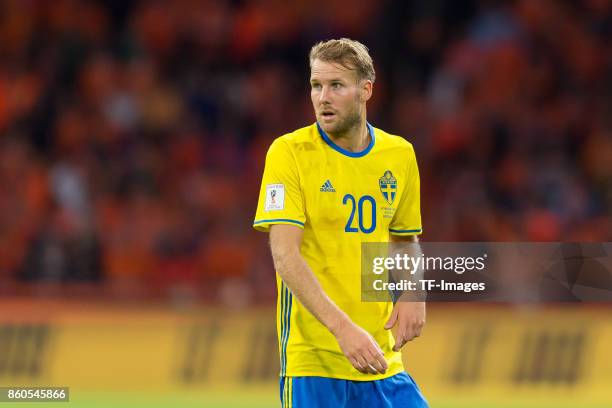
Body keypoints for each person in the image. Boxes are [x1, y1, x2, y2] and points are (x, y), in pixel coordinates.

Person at [254, 38, 428, 407]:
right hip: (315, 362)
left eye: (336, 85)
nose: (323, 97)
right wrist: (343, 329)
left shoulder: (399, 155)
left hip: (380, 359)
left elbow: (404, 239)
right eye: (316, 85)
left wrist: (413, 292)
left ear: (366, 90)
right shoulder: (289, 153)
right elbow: (285, 256)